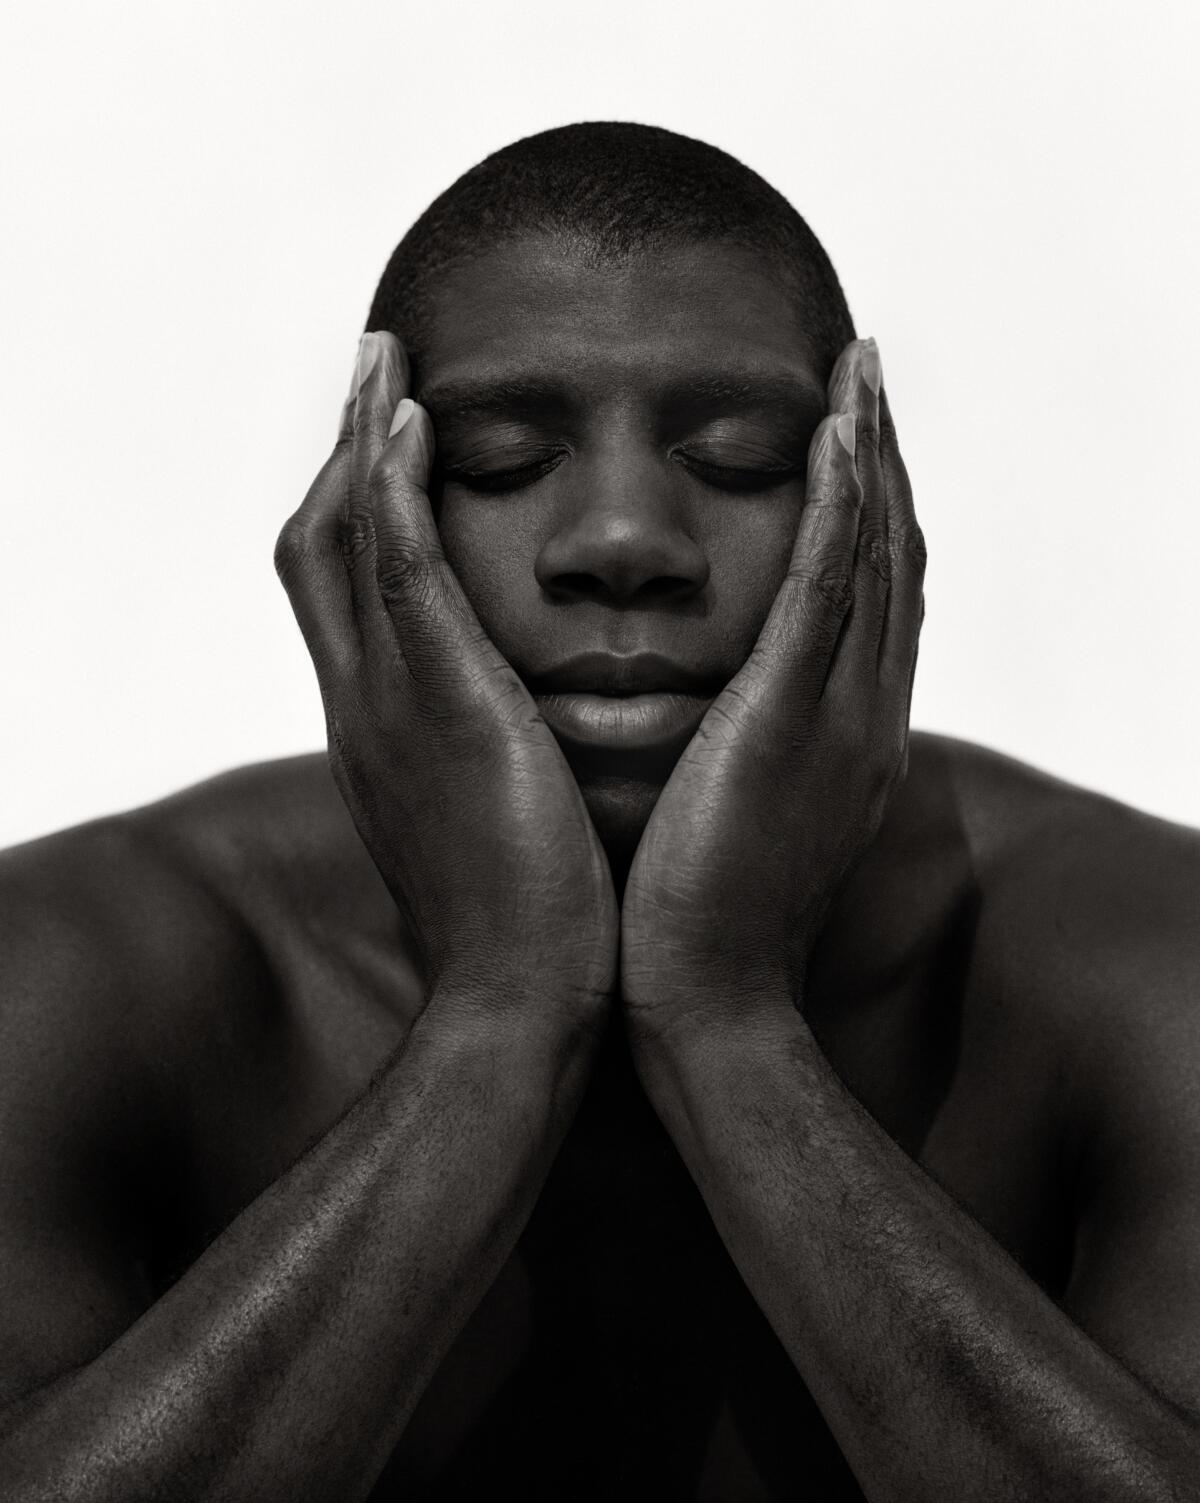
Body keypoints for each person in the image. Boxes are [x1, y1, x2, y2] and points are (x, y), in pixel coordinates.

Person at [0, 120, 1198, 1503]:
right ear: (360, 528)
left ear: (864, 509)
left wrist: (726, 1020)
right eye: (507, 462)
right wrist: (503, 1008)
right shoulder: (80, 967)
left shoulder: (1145, 964)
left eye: (740, 460)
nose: (622, 540)